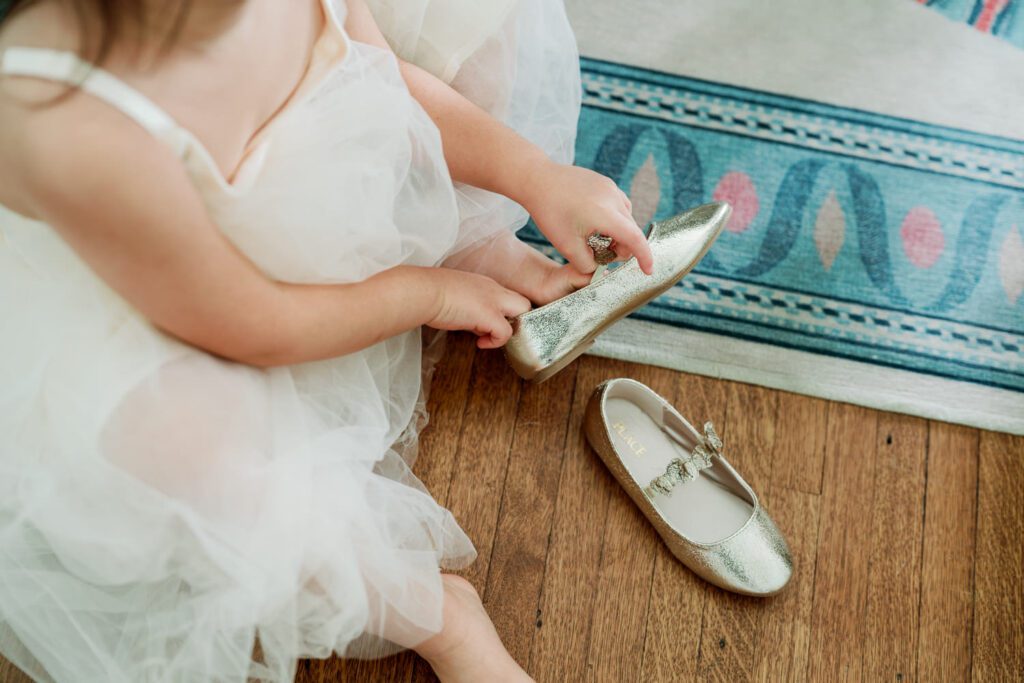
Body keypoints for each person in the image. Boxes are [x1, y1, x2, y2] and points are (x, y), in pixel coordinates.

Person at [0, 0, 653, 680]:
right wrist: (422, 295)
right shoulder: (66, 118)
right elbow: (253, 323)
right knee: (188, 452)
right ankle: (441, 616)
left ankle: (469, 237)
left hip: (297, 200)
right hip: (177, 301)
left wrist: (535, 176)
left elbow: (384, 83)